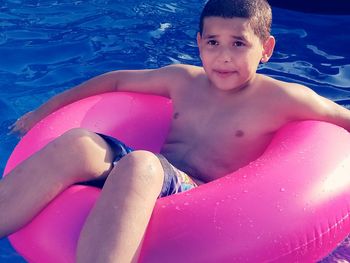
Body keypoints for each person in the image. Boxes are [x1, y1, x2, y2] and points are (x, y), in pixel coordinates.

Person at [1, 0, 350, 262]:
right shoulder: (183, 80)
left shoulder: (281, 99)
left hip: (194, 193)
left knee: (141, 163)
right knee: (77, 143)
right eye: (213, 42)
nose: (223, 56)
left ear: (266, 49)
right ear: (199, 43)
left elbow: (340, 115)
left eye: (238, 43)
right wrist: (44, 110)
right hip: (150, 174)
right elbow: (116, 79)